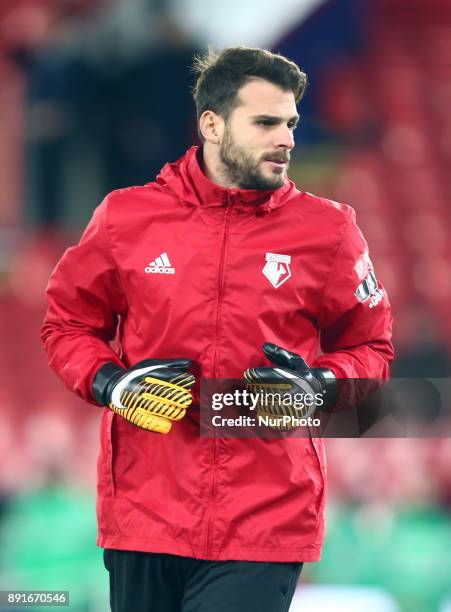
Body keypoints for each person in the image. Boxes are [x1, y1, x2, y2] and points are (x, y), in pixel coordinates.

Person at [41, 46, 394, 612]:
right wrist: (111, 384)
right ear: (211, 123)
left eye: (291, 124)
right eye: (265, 123)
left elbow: (372, 348)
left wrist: (322, 386)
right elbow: (67, 323)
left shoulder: (329, 231)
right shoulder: (125, 218)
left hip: (267, 517)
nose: (286, 139)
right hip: (145, 514)